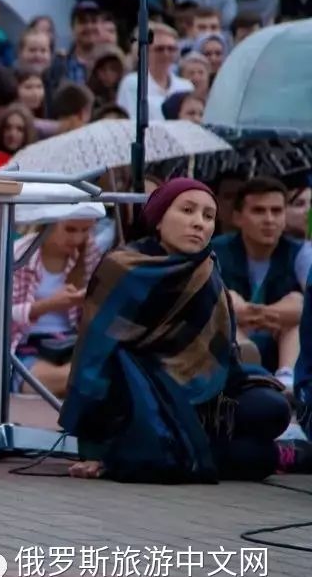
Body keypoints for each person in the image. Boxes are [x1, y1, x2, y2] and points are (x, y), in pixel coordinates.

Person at [62, 179, 311, 481]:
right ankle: (160, 450)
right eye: (188, 210)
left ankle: (190, 445)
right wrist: (95, 450)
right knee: (257, 458)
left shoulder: (206, 268)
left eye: (207, 216)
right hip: (137, 403)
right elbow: (94, 359)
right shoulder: (123, 267)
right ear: (159, 218)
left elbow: (223, 356)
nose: (198, 223)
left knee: (272, 409)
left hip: (202, 400)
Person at [211, 177, 309, 387]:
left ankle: (286, 377)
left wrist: (257, 313)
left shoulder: (301, 251)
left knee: (297, 300)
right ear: (237, 217)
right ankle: (246, 367)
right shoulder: (215, 250)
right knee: (226, 299)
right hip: (233, 336)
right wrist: (239, 309)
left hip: (282, 338)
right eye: (258, 211)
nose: (269, 219)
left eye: (276, 211)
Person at [10, 219, 103, 397]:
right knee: (75, 378)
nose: (78, 238)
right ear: (48, 224)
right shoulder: (20, 253)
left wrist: (89, 300)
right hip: (24, 343)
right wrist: (48, 305)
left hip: (72, 341)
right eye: (70, 229)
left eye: (86, 230)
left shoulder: (90, 250)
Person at [116, 24, 192, 122]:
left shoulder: (186, 86)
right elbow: (128, 119)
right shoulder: (133, 83)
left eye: (171, 49)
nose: (166, 54)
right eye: (159, 49)